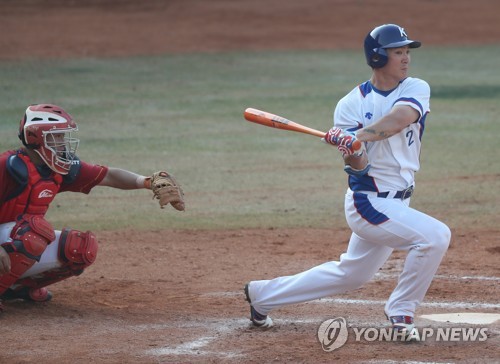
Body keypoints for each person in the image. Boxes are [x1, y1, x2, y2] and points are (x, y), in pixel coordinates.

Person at [244, 24, 451, 334]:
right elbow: (358, 168)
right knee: (435, 237)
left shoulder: (415, 88)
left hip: (399, 201)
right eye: (398, 52)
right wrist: (351, 150)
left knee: (352, 274)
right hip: (368, 202)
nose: (406, 58)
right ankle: (401, 311)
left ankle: (262, 296)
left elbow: (400, 119)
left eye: (407, 51)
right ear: (379, 57)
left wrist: (355, 137)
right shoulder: (350, 104)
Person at [0, 103, 184, 313]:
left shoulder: (56, 168)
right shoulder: (6, 165)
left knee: (80, 248)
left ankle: (16, 288)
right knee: (33, 233)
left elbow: (108, 175)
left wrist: (148, 182)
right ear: (34, 137)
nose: (63, 144)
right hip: (11, 238)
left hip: (12, 238)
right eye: (57, 137)